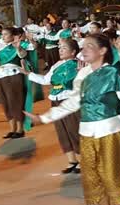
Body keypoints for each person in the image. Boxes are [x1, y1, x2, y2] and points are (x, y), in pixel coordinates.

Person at [26, 33, 120, 205]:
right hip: (86, 132)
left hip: (109, 131)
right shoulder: (81, 75)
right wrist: (43, 118)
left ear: (102, 51)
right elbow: (72, 103)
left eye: (90, 46)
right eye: (84, 46)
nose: (85, 49)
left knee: (111, 177)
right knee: (93, 178)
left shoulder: (112, 73)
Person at [26, 38, 82, 173]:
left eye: (64, 48)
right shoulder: (56, 65)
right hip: (56, 99)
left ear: (73, 51)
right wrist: (28, 74)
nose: (60, 50)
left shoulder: (79, 64)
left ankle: (83, 159)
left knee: (74, 129)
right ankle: (72, 160)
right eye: (60, 48)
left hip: (70, 100)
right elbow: (46, 80)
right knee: (62, 130)